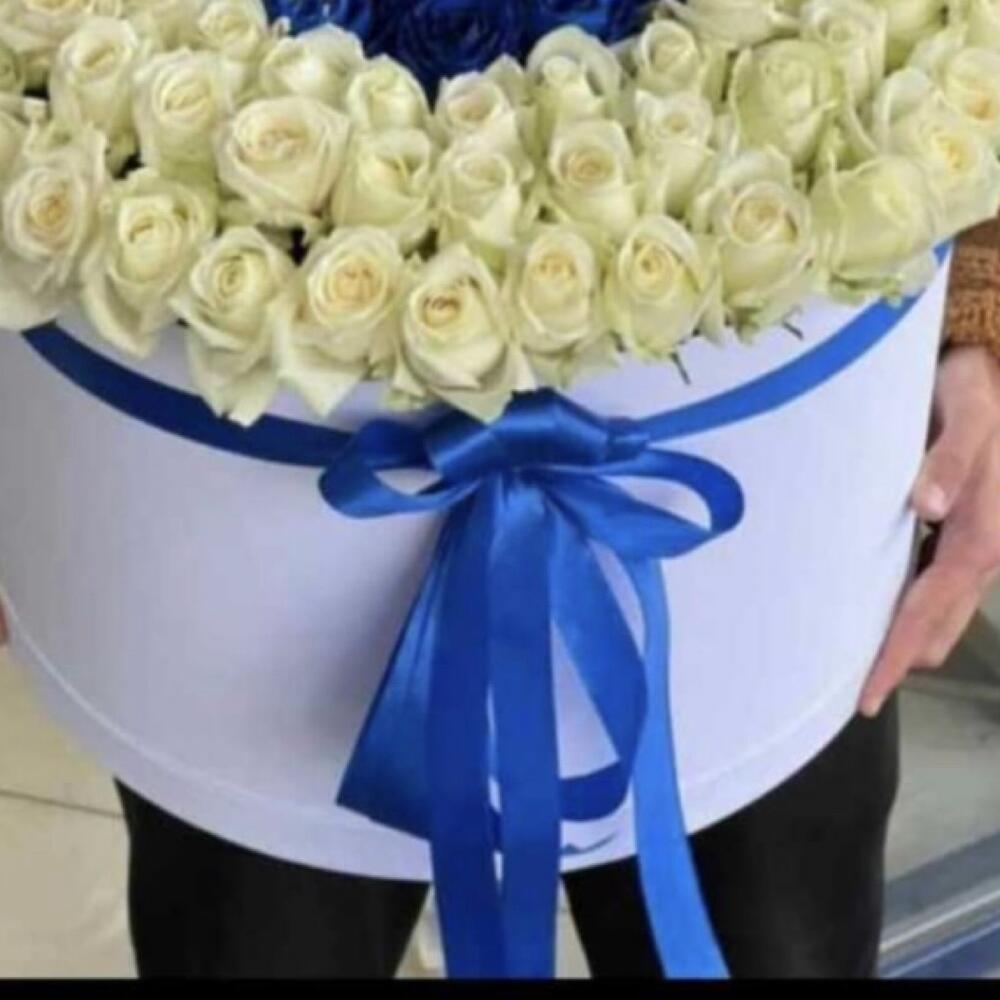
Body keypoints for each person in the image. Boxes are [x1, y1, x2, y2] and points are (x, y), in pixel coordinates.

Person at [3, 219, 1000, 980]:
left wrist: (981, 303)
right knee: (260, 939)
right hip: (237, 518)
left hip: (762, 480)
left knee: (760, 937)